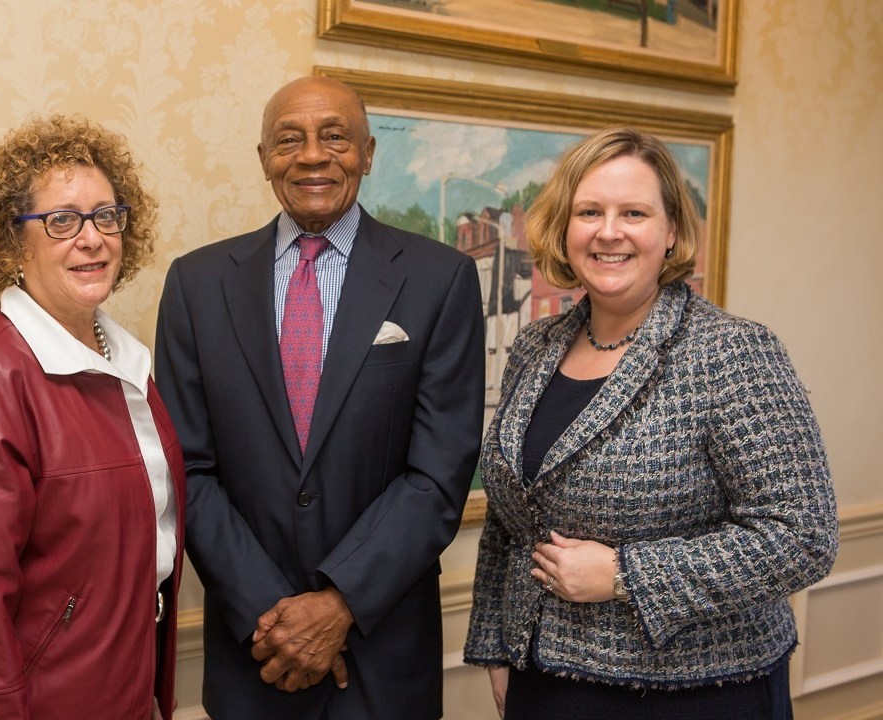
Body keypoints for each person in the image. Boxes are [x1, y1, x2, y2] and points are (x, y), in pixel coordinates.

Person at [464, 126, 838, 720]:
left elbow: (802, 537)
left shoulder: (732, 351)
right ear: (566, 228)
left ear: (671, 234)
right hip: (546, 682)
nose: (609, 231)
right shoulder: (535, 347)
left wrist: (624, 574)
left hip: (697, 693)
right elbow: (513, 523)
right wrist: (495, 644)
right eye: (590, 211)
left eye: (633, 212)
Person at [155, 75, 485, 720]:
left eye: (334, 136)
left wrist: (339, 604)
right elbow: (186, 469)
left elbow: (439, 473)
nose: (311, 155)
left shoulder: (440, 278)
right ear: (263, 159)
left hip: (382, 649)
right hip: (256, 651)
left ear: (366, 151)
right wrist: (275, 617)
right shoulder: (196, 284)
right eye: (289, 139)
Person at [0, 115, 186, 720]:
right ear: (11, 241)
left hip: (128, 694)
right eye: (61, 220)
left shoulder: (126, 362)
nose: (93, 239)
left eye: (107, 216)